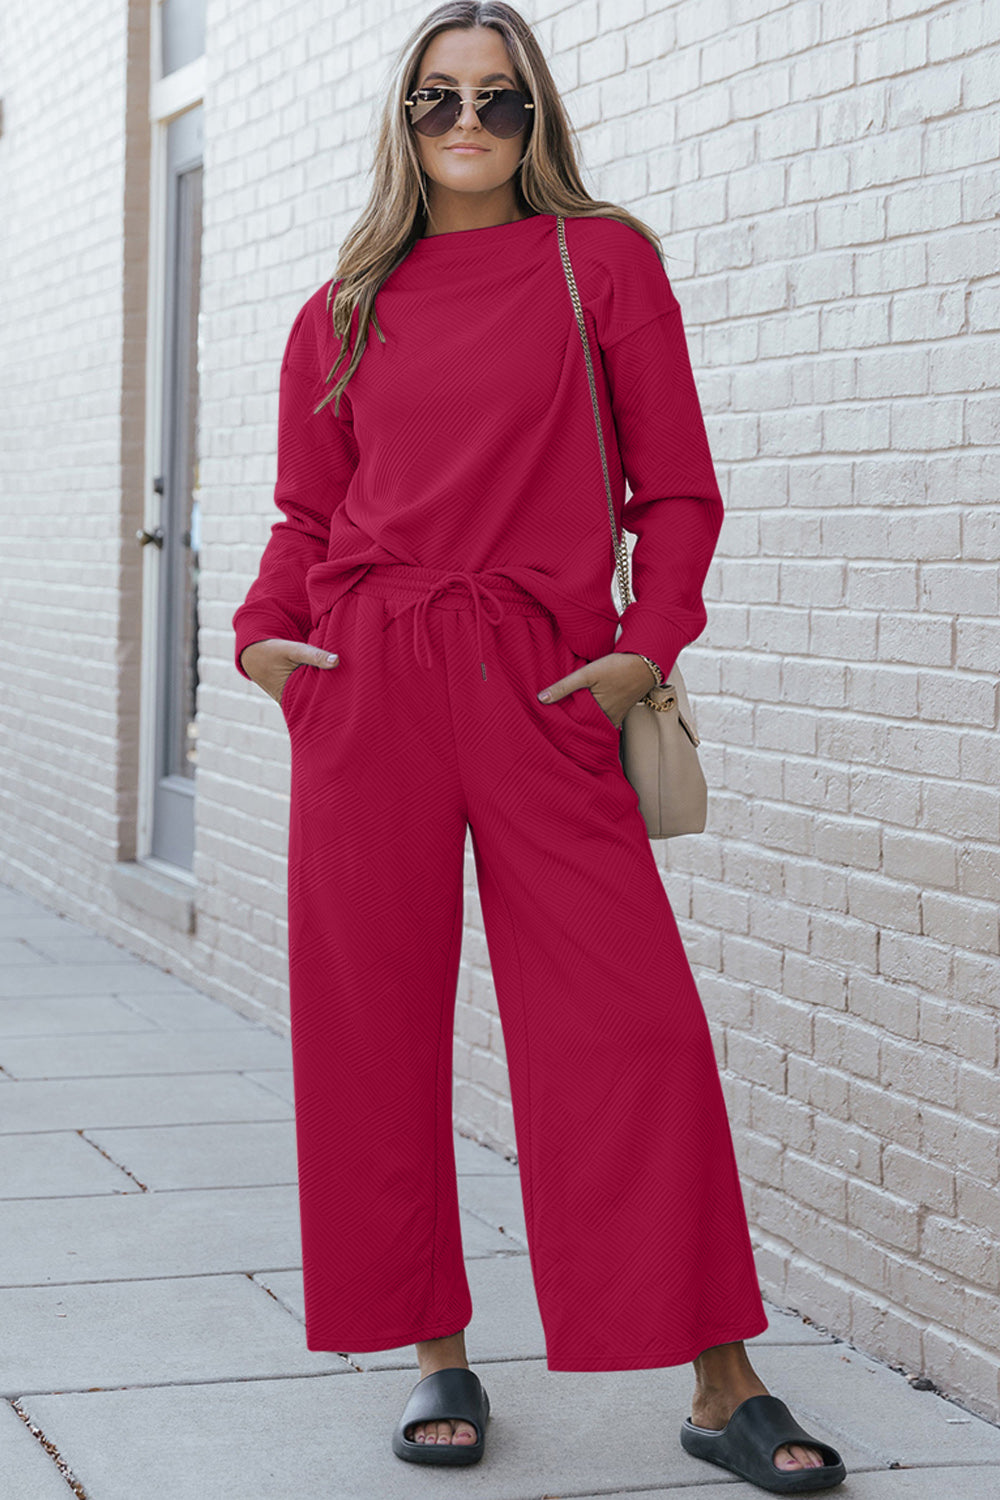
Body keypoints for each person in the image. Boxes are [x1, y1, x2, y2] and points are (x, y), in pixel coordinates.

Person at [233, 3, 846, 1493]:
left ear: (537, 118)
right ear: (403, 115)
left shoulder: (602, 263)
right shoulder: (344, 306)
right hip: (368, 679)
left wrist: (650, 638)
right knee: (372, 1028)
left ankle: (719, 1377)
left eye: (498, 101)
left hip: (542, 681)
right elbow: (307, 520)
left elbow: (678, 489)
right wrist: (266, 640)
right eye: (440, 97)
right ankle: (433, 1347)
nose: (468, 123)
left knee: (629, 1027)